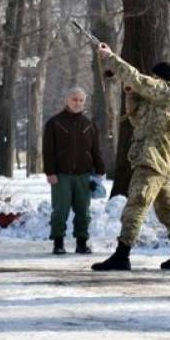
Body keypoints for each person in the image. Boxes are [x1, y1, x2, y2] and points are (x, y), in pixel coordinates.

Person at [91, 44, 170, 272]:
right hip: (158, 161)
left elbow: (137, 79)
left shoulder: (167, 90)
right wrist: (130, 93)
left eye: (154, 78)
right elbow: (137, 119)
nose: (151, 81)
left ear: (161, 79)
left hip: (151, 160)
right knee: (167, 210)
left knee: (135, 204)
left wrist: (110, 57)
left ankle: (122, 255)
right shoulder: (162, 101)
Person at [42, 86, 106, 255]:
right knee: (60, 210)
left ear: (84, 102)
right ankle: (58, 243)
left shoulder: (89, 124)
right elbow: (47, 150)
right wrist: (50, 172)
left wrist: (100, 169)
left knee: (83, 212)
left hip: (84, 175)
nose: (77, 103)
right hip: (61, 175)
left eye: (80, 100)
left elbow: (96, 150)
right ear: (67, 101)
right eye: (74, 99)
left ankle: (82, 243)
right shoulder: (54, 123)